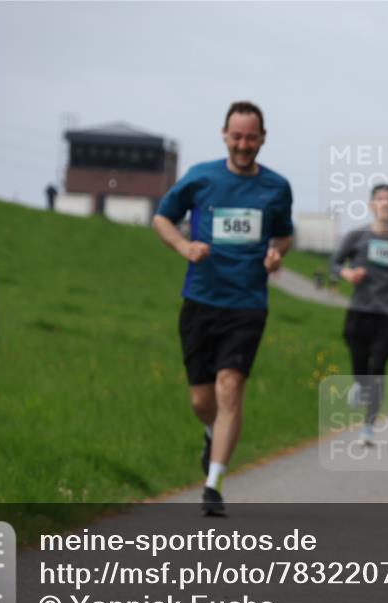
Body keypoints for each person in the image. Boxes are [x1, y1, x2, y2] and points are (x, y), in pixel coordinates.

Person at [151, 101, 293, 516]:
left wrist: (277, 253)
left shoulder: (276, 187)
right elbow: (162, 218)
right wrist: (183, 246)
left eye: (251, 137)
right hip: (201, 300)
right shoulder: (202, 178)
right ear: (224, 135)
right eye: (237, 136)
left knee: (230, 386)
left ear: (263, 138)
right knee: (202, 400)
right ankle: (212, 433)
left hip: (247, 304)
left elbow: (284, 234)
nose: (243, 145)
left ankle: (213, 484)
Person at [330, 183, 388, 446]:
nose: (385, 203)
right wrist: (348, 274)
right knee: (358, 357)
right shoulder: (357, 236)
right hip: (360, 308)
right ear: (371, 205)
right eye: (380, 199)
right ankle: (359, 383)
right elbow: (334, 263)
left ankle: (368, 427)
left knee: (379, 366)